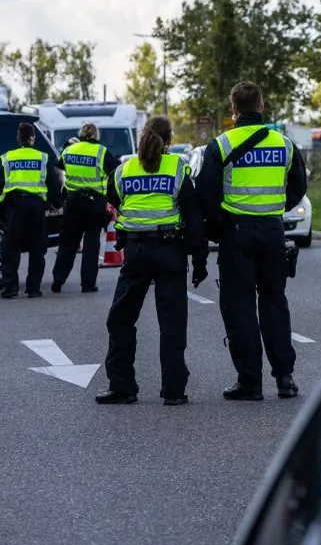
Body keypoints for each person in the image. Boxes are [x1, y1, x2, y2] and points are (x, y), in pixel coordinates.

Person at [196, 81, 307, 401]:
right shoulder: (284, 144)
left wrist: (220, 224)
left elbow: (205, 193)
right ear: (262, 106)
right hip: (273, 232)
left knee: (239, 306)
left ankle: (250, 382)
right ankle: (285, 377)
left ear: (234, 109)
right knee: (275, 302)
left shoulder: (221, 145)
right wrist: (274, 208)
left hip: (237, 234)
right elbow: (298, 187)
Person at [95, 117, 208, 406]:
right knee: (172, 323)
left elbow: (115, 200)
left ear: (142, 137)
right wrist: (199, 259)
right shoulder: (178, 167)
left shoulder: (124, 170)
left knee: (120, 319)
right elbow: (193, 216)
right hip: (170, 251)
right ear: (169, 141)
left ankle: (121, 387)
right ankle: (174, 390)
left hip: (136, 252)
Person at [0, 121, 65, 299]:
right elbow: (53, 184)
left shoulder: (7, 157)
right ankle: (33, 288)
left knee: (10, 246)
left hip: (16, 205)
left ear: (19, 138)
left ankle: (10, 287)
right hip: (36, 206)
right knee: (37, 247)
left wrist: (7, 202)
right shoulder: (43, 157)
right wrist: (56, 203)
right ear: (32, 138)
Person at [50, 122, 121, 293]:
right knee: (91, 244)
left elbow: (60, 165)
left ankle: (58, 279)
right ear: (96, 135)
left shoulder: (69, 150)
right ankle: (88, 284)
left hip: (73, 202)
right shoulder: (101, 151)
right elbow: (116, 169)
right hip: (94, 203)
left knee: (68, 243)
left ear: (81, 134)